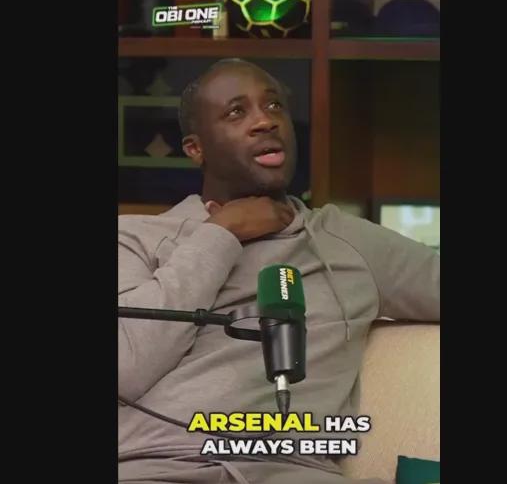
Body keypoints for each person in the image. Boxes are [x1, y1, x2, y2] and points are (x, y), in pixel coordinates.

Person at [118, 58, 440, 484]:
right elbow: (125, 367)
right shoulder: (135, 238)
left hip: (290, 472)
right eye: (237, 111)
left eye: (274, 106)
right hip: (154, 468)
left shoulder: (347, 240)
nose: (264, 121)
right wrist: (220, 235)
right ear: (196, 148)